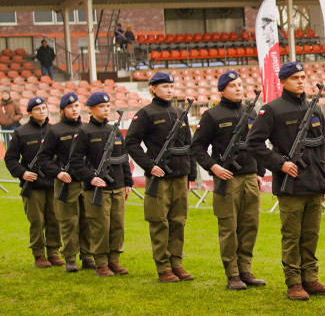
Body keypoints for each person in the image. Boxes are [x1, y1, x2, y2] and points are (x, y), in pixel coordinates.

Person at [247, 61, 325, 301]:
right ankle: (294, 283)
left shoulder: (314, 109)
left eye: (302, 77)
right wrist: (280, 163)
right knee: (292, 236)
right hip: (291, 184)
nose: (300, 81)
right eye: (295, 78)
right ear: (283, 82)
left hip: (315, 183)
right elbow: (253, 143)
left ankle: (311, 279)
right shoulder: (272, 109)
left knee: (311, 235)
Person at [189, 70, 265, 291]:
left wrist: (258, 172)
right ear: (222, 90)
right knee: (229, 228)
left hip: (250, 177)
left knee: (250, 226)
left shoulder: (251, 113)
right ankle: (232, 274)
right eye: (233, 85)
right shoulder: (212, 116)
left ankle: (245, 270)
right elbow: (197, 147)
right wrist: (213, 167)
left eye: (240, 84)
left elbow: (257, 145)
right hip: (227, 179)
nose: (238, 88)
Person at [126, 72, 198, 283]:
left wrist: (191, 174)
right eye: (165, 86)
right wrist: (150, 166)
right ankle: (164, 267)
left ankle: (177, 264)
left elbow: (189, 146)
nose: (169, 90)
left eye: (171, 86)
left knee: (178, 221)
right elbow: (131, 142)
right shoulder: (146, 113)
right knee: (159, 222)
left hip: (180, 176)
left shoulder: (180, 113)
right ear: (153, 89)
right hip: (160, 178)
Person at [69, 92, 132, 278]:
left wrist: (128, 182)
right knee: (100, 226)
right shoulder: (84, 132)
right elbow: (75, 161)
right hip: (97, 188)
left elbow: (123, 158)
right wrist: (90, 178)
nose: (106, 109)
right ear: (91, 109)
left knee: (117, 226)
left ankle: (114, 260)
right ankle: (101, 263)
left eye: (108, 106)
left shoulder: (115, 130)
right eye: (101, 106)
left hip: (117, 186)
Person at [38, 92, 95, 271]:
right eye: (70, 107)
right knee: (69, 222)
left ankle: (87, 256)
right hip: (66, 182)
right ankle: (70, 258)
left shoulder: (87, 128)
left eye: (77, 106)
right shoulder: (55, 130)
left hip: (86, 182)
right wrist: (57, 173)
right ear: (62, 110)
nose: (74, 109)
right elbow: (43, 158)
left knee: (88, 220)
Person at [5, 97, 61, 268]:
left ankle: (54, 253)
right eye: (37, 109)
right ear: (29, 112)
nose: (41, 111)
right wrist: (22, 173)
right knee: (37, 221)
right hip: (33, 184)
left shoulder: (55, 130)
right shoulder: (21, 132)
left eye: (44, 108)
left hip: (52, 183)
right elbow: (10, 158)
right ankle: (39, 255)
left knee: (55, 219)